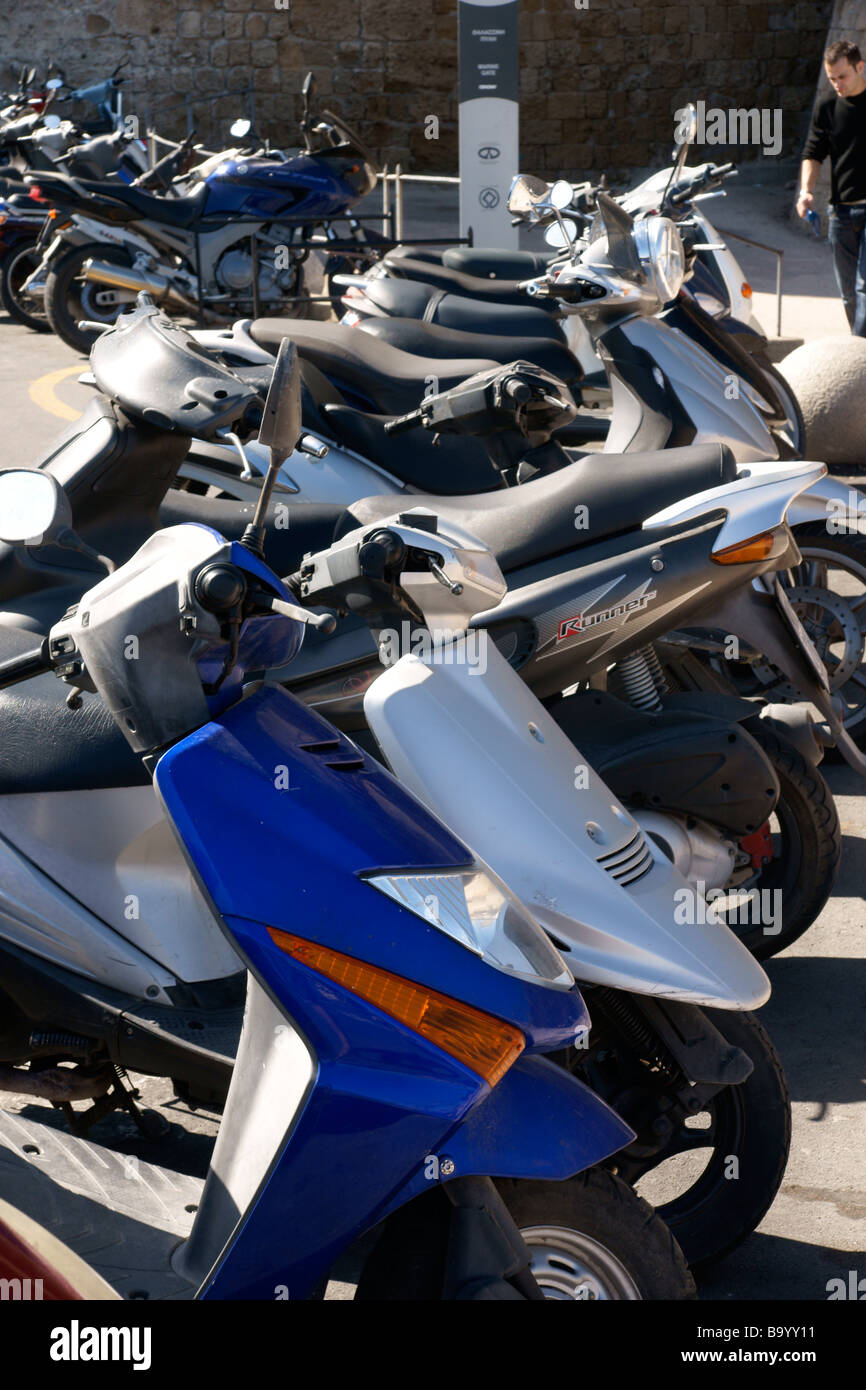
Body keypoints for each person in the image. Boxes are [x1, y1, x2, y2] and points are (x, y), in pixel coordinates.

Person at [799, 39, 866, 336]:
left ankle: (860, 354)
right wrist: (806, 191)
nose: (837, 84)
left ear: (860, 67)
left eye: (843, 76)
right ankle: (859, 350)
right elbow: (813, 153)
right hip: (840, 213)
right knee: (848, 293)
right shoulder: (827, 108)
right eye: (832, 78)